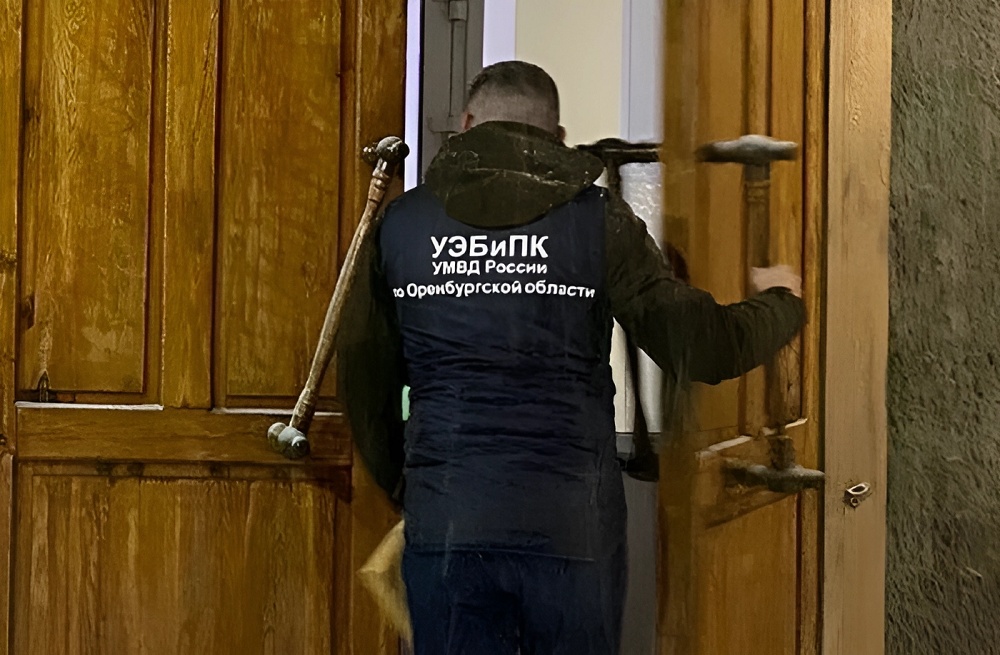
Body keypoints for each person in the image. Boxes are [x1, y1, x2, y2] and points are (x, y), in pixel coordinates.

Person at [336, 60, 804, 655]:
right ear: (557, 137)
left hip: (450, 521)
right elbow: (704, 346)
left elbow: (364, 379)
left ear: (467, 124)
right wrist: (782, 302)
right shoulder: (597, 219)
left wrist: (410, 484)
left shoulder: (402, 224)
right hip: (573, 528)